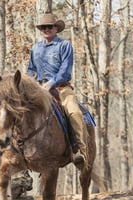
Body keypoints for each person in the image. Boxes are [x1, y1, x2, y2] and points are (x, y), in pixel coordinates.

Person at [27, 13, 88, 166]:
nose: (46, 29)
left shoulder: (64, 46)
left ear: (56, 28)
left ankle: (79, 150)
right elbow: (31, 70)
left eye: (50, 27)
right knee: (20, 110)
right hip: (38, 88)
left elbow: (65, 71)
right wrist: (30, 84)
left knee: (74, 112)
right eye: (43, 27)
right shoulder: (35, 48)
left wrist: (51, 84)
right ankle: (14, 149)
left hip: (61, 88)